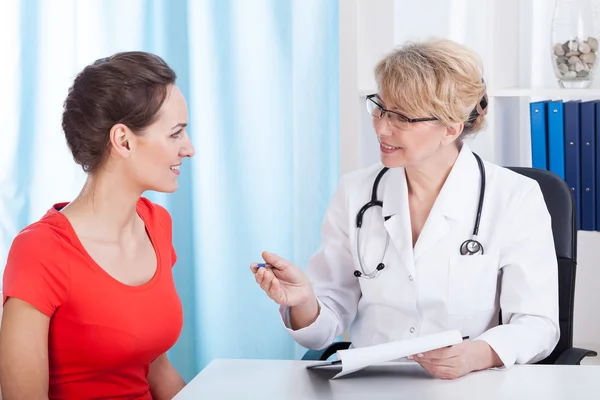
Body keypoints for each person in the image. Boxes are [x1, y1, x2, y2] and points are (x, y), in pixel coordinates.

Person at [250, 39, 559, 380]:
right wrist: (304, 301)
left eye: (401, 118)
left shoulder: (515, 197)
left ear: (452, 127)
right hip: (371, 382)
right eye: (380, 108)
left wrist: (479, 354)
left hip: (465, 385)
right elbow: (323, 328)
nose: (382, 128)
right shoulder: (356, 193)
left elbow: (538, 324)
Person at [0, 51, 195, 399]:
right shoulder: (40, 252)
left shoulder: (157, 225)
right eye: (176, 134)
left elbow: (156, 368)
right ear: (123, 140)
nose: (189, 149)